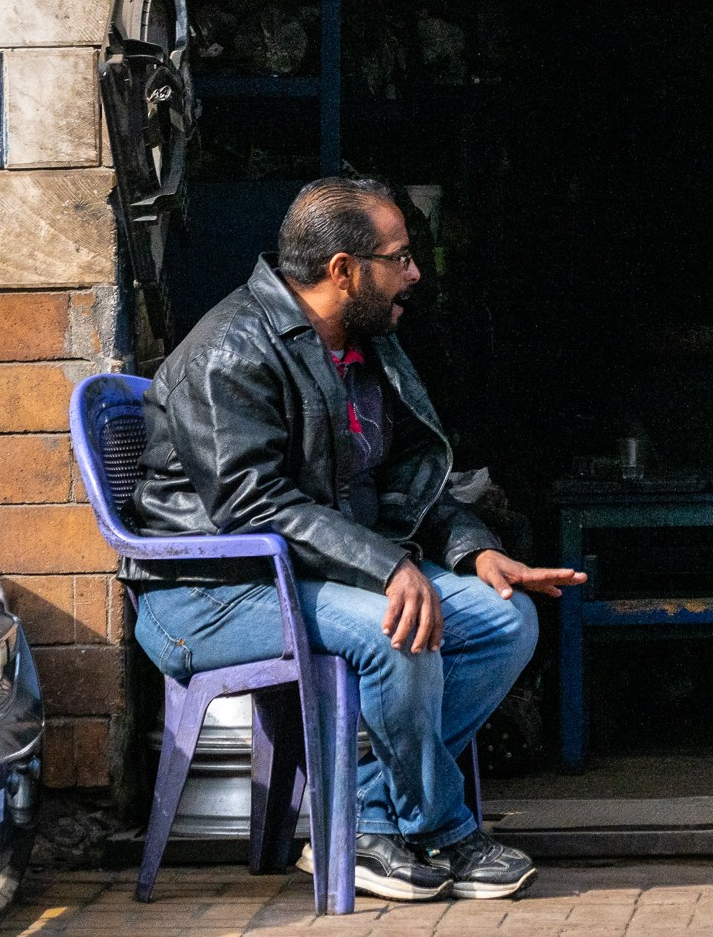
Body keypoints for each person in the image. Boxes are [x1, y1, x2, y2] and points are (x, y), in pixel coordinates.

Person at [125, 177, 586, 901]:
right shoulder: (228, 350)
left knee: (505, 619)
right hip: (210, 592)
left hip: (310, 574)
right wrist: (389, 566)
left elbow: (406, 477)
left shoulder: (366, 345)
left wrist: (471, 549)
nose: (415, 274)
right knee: (396, 624)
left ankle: (365, 818)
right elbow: (253, 503)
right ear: (343, 270)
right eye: (399, 257)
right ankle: (439, 828)